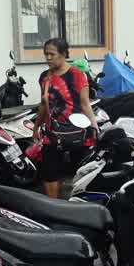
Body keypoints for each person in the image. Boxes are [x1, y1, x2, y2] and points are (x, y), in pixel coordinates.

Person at [33, 37, 97, 198]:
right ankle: (54, 209)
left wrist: (94, 126)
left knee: (80, 174)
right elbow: (43, 104)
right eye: (46, 54)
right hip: (52, 134)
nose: (48, 58)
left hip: (77, 133)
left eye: (52, 54)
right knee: (49, 174)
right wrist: (36, 127)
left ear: (63, 54)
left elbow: (85, 104)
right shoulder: (44, 77)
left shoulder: (77, 75)